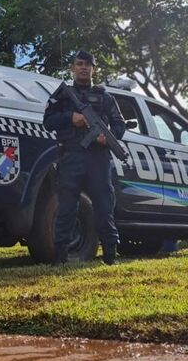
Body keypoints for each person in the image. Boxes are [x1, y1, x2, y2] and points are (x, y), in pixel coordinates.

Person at [43, 50, 126, 265]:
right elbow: (48, 121)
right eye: (79, 64)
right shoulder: (62, 95)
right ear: (72, 68)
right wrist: (71, 117)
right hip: (70, 156)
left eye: (87, 65)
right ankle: (60, 257)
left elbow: (119, 125)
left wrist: (106, 138)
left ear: (93, 69)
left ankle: (110, 254)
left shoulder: (105, 97)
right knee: (67, 207)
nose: (83, 68)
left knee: (104, 206)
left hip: (98, 159)